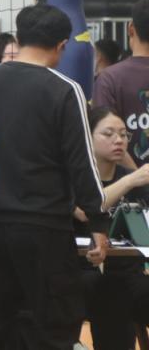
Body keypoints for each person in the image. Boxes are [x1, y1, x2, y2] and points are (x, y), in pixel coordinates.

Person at [0, 4, 109, 350]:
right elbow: (82, 163)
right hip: (42, 228)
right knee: (53, 329)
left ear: (18, 38)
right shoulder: (65, 89)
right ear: (62, 46)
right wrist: (98, 221)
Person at [76, 107, 149, 350]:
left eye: (124, 134)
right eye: (108, 134)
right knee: (109, 292)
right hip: (83, 272)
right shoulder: (77, 178)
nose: (119, 140)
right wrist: (130, 180)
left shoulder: (138, 180)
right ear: (87, 137)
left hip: (130, 274)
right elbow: (84, 211)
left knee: (123, 290)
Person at [93, 0, 149, 169]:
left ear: (130, 28)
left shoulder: (110, 78)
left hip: (126, 182)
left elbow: (106, 138)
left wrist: (138, 178)